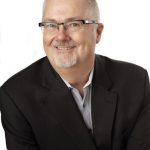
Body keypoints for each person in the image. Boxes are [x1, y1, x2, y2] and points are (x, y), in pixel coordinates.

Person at [0, 0, 150, 149]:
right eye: (51, 25)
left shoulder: (135, 81)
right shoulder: (16, 97)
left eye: (74, 24)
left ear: (97, 32)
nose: (60, 36)